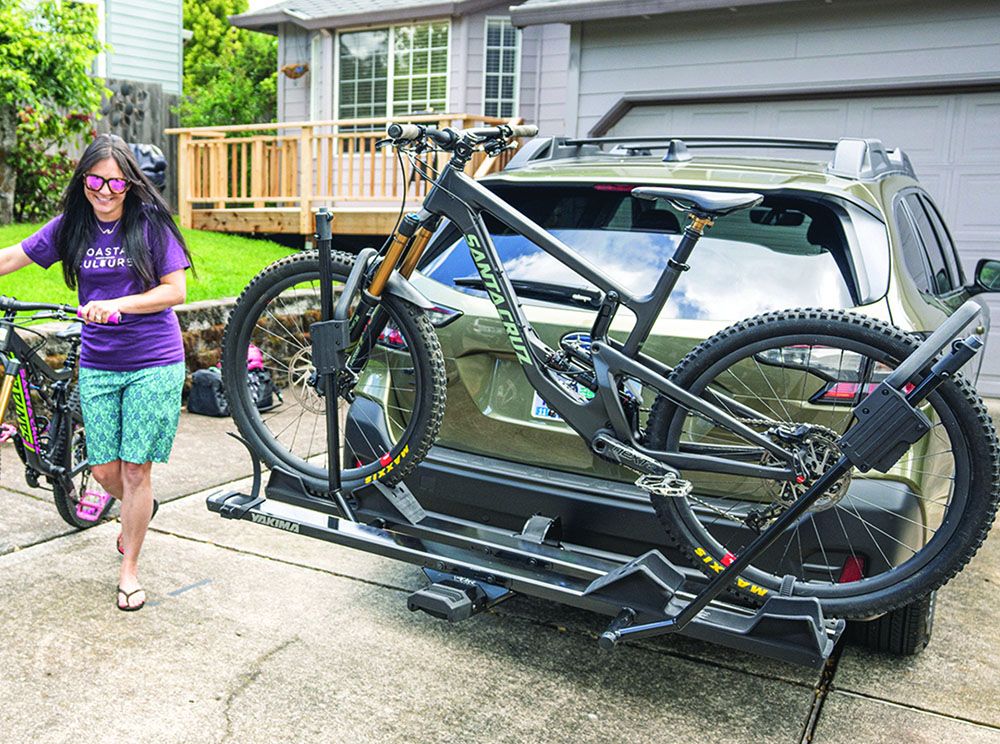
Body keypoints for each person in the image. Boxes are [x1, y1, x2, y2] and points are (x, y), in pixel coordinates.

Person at [0, 134, 192, 611]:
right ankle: (137, 508)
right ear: (82, 179)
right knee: (106, 470)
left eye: (115, 182)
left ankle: (129, 567)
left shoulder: (150, 224)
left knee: (135, 468)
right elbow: (13, 257)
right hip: (101, 363)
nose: (104, 191)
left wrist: (117, 304)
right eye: (94, 179)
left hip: (153, 360)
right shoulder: (73, 226)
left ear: (129, 183)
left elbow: (175, 292)